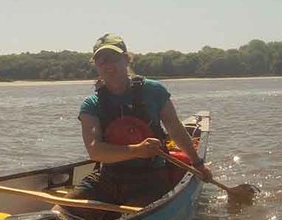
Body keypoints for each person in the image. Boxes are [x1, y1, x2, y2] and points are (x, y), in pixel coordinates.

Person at [68, 33, 212, 208]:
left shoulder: (154, 90)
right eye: (101, 60)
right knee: (58, 214)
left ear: (126, 60)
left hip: (151, 178)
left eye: (112, 58)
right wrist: (137, 150)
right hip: (108, 177)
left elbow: (175, 128)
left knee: (130, 215)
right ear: (96, 65)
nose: (107, 64)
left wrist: (198, 163)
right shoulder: (91, 104)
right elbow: (95, 152)